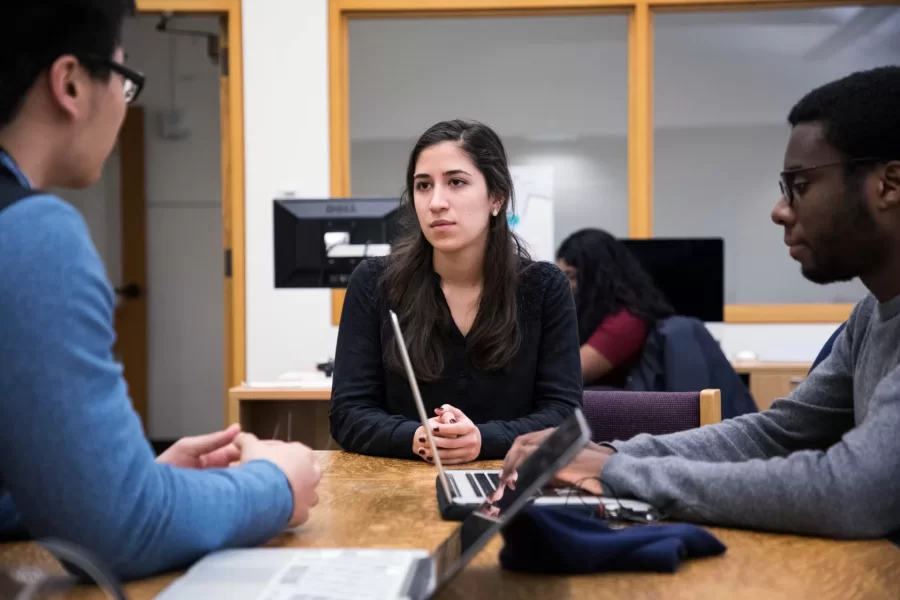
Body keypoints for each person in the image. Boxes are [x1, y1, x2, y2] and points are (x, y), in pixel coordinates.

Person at [498, 66, 900, 539]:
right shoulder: (870, 314)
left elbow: (852, 493)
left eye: (801, 184)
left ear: (889, 185)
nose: (780, 209)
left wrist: (613, 473)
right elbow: (772, 434)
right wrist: (610, 455)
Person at [0, 0, 320, 580]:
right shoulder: (30, 234)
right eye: (124, 81)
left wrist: (119, 477)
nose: (125, 108)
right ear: (70, 83)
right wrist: (275, 482)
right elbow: (123, 531)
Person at [329, 119, 583, 464]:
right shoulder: (375, 281)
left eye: (456, 182)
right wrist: (419, 437)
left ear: (497, 197)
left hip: (509, 484)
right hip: (397, 485)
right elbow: (347, 414)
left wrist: (482, 440)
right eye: (423, 186)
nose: (436, 202)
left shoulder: (542, 286)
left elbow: (564, 417)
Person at [556, 228, 673, 387]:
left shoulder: (627, 320)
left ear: (597, 275)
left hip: (608, 408)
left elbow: (567, 374)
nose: (565, 285)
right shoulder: (595, 313)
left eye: (571, 276)